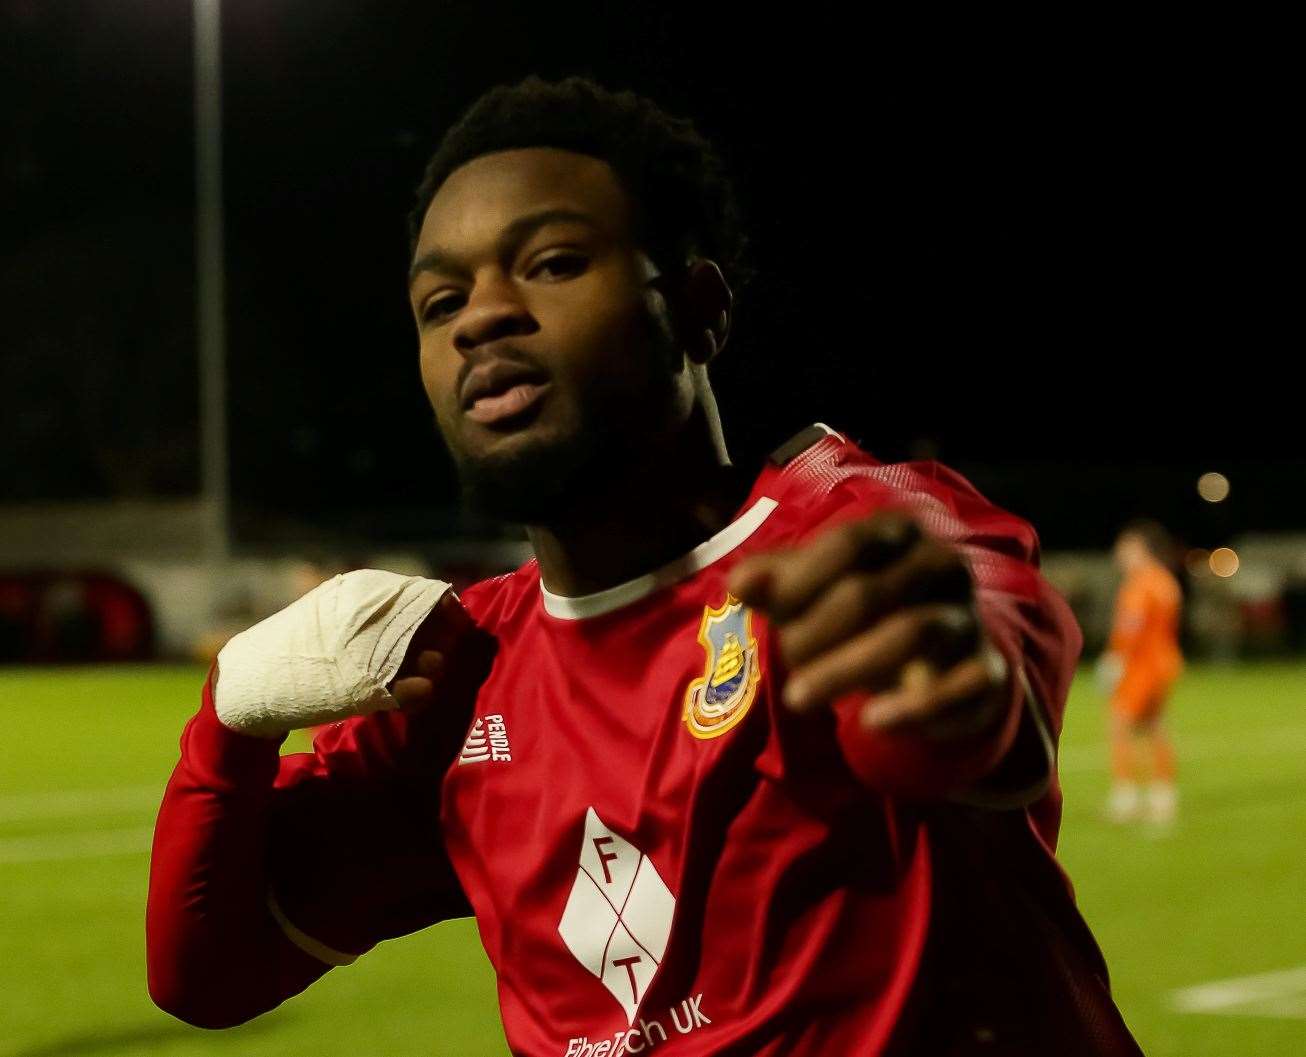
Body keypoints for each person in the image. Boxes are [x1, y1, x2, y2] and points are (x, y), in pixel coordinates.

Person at [147, 76, 1143, 1055]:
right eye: (439, 300)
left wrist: (948, 689)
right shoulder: (459, 674)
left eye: (551, 262)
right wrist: (228, 724)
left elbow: (977, 714)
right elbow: (209, 972)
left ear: (699, 308)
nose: (480, 317)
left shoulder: (858, 533)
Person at [1098, 521, 1183, 825]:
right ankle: (1163, 794)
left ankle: (1126, 795)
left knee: (1119, 724)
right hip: (1165, 663)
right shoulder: (1166, 581)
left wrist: (1115, 658)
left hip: (1141, 666)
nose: (1120, 555)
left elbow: (1131, 626)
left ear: (1140, 549)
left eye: (1125, 548)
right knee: (1154, 727)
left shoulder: (1142, 583)